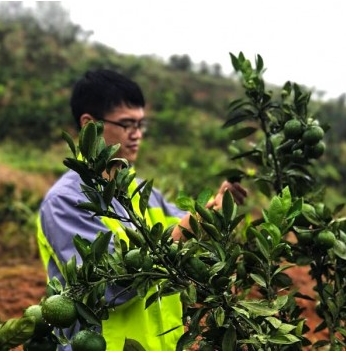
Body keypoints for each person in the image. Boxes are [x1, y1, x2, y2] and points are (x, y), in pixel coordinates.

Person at [36, 69, 247, 351]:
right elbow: (109, 286)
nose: (137, 135)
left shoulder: (140, 192)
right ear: (90, 125)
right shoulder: (64, 202)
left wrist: (215, 207)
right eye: (126, 125)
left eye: (140, 125)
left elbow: (180, 233)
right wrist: (194, 224)